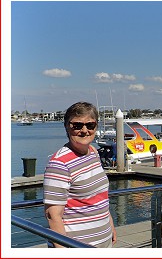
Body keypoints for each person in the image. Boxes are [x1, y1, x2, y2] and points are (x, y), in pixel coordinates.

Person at [43, 102, 116, 247]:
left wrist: (111, 226)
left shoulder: (93, 153)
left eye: (90, 125)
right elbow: (53, 215)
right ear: (66, 126)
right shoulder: (59, 164)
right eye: (77, 125)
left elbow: (100, 199)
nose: (84, 130)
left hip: (105, 241)